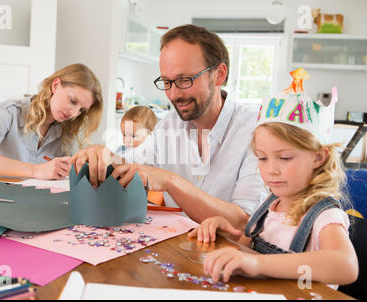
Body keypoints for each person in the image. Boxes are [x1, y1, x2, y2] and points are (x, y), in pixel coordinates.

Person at [70, 24, 266, 230]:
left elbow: (246, 222)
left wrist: (171, 182)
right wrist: (104, 156)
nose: (173, 95)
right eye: (166, 82)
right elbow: (131, 164)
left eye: (184, 80)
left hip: (228, 255)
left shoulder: (255, 130)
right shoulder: (170, 124)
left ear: (219, 75)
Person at [190, 73, 359, 288]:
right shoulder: (270, 206)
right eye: (262, 158)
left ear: (318, 157)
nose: (271, 170)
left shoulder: (324, 216)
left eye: (285, 158)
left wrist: (259, 263)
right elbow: (245, 252)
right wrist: (225, 232)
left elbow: (346, 266)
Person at [0, 63, 103, 180]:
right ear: (55, 85)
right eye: (72, 101)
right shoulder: (10, 112)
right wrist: (37, 170)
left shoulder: (68, 131)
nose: (74, 113)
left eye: (81, 110)